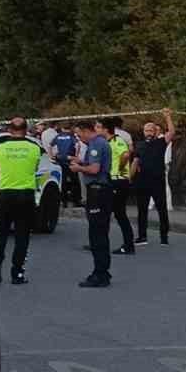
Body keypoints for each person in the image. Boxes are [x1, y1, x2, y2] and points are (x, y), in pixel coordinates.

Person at [0, 116, 41, 285]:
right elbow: (34, 168)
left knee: (1, 231)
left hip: (5, 193)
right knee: (22, 235)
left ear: (9, 130)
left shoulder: (0, 147)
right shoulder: (34, 147)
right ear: (26, 130)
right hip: (25, 194)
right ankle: (17, 272)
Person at [71, 118, 113, 288]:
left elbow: (95, 170)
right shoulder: (100, 143)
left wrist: (79, 168)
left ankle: (100, 274)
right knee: (100, 233)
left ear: (85, 130)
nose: (78, 137)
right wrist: (83, 163)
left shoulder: (96, 144)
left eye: (78, 133)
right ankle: (103, 271)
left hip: (98, 191)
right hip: (101, 191)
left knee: (97, 234)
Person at [133, 110, 176, 245]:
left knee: (162, 210)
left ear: (156, 131)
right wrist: (129, 178)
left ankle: (164, 237)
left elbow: (172, 132)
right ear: (143, 132)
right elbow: (135, 162)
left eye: (151, 130)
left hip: (157, 181)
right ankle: (142, 237)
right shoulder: (139, 145)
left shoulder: (161, 142)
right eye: (146, 130)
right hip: (142, 182)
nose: (149, 133)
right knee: (142, 211)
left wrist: (167, 116)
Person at [107, 116, 137, 255]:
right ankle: (100, 241)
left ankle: (128, 245)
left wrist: (120, 168)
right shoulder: (110, 141)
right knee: (110, 213)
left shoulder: (117, 140)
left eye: (98, 127)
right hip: (115, 180)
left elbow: (126, 154)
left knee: (120, 214)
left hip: (118, 180)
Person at [52, 124, 80, 210]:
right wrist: (76, 156)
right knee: (74, 181)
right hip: (70, 160)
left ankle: (63, 201)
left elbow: (51, 145)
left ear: (62, 128)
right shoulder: (71, 136)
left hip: (60, 160)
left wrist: (51, 155)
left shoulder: (58, 136)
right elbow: (78, 145)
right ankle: (75, 201)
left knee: (62, 181)